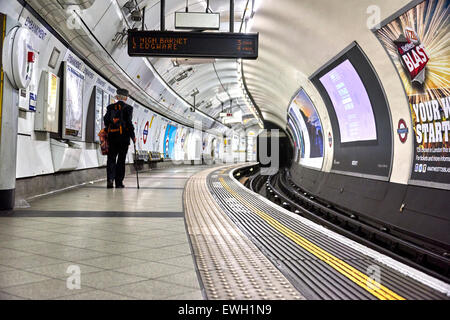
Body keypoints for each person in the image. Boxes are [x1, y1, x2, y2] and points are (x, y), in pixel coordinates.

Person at [103, 88, 136, 188]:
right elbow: (129, 124)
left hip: (112, 138)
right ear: (126, 98)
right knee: (121, 160)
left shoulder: (110, 107)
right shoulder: (128, 108)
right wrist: (133, 136)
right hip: (124, 139)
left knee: (111, 159)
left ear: (117, 97)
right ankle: (119, 182)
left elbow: (106, 121)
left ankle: (110, 179)